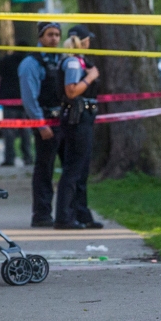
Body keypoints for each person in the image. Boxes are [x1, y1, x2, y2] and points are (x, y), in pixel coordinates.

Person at [54, 26, 103, 230]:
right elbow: (71, 91)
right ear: (82, 41)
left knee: (81, 169)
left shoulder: (79, 61)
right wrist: (90, 78)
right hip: (77, 119)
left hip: (83, 118)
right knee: (74, 169)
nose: (90, 43)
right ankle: (65, 216)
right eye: (88, 40)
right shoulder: (73, 62)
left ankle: (81, 214)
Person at [19, 21, 64, 228]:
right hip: (46, 123)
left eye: (57, 34)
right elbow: (29, 98)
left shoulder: (62, 58)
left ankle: (68, 213)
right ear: (40, 37)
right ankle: (42, 214)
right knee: (44, 169)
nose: (54, 38)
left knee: (72, 168)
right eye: (49, 34)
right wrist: (40, 124)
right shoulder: (31, 63)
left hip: (65, 121)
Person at [0, 42, 34, 168]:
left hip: (8, 100)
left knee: (9, 131)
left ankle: (9, 158)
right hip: (24, 100)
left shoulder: (5, 61)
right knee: (25, 131)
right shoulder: (30, 62)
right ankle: (28, 157)